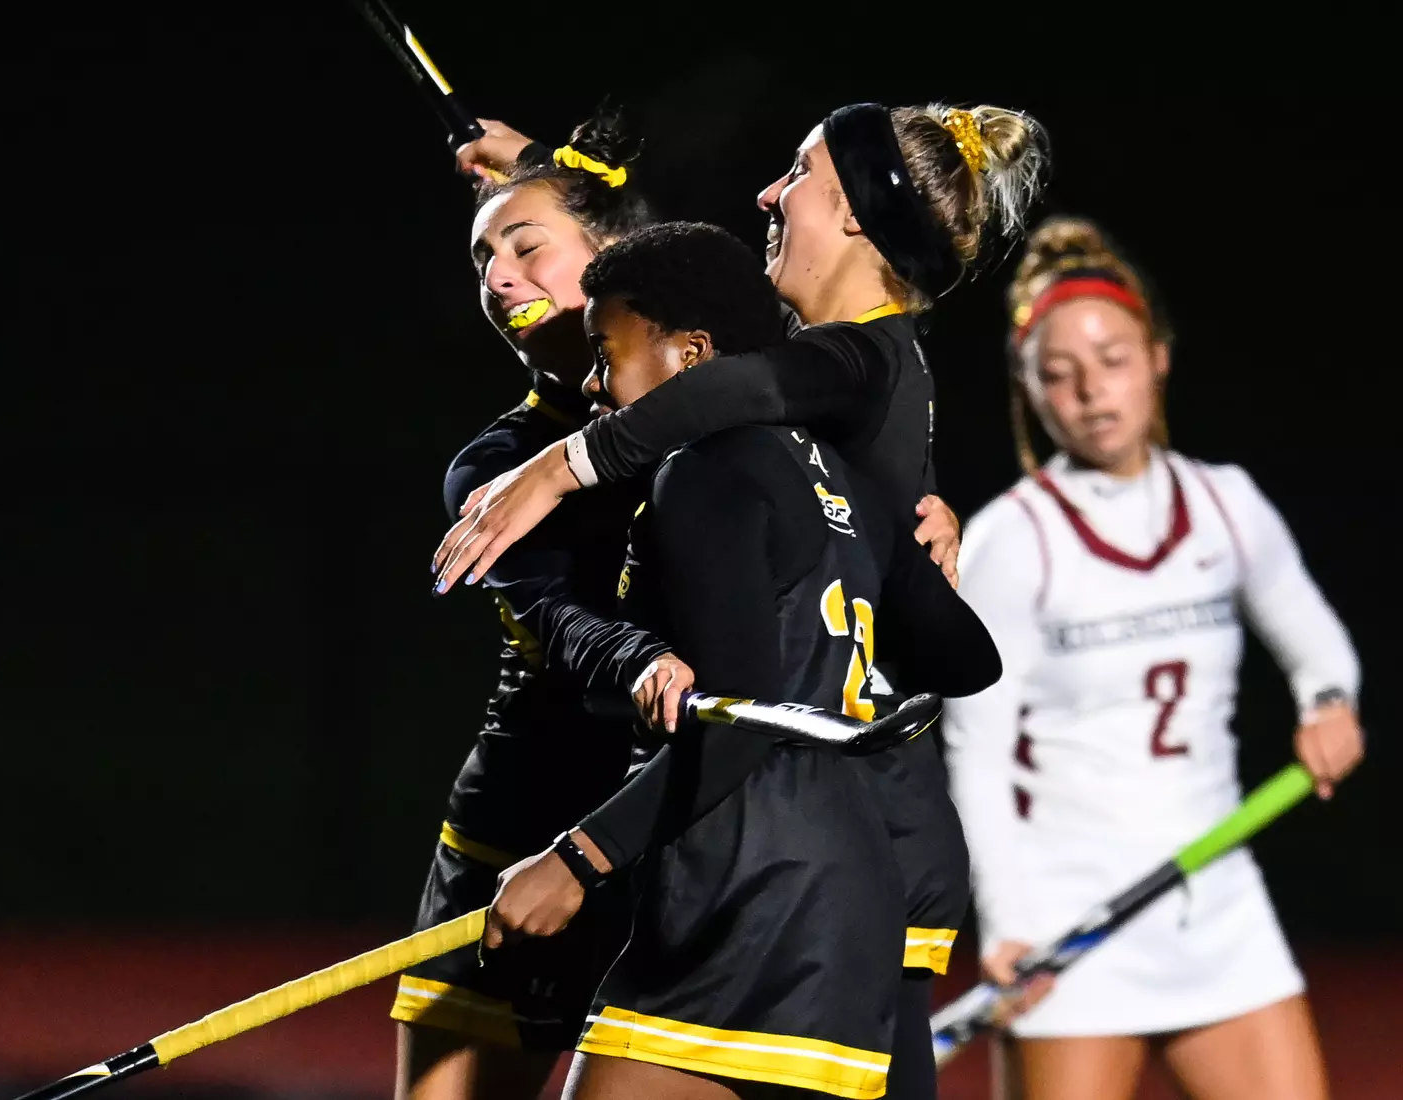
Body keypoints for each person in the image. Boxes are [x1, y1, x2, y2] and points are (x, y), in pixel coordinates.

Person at [435, 102, 1047, 1098]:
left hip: (788, 827)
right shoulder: (836, 396)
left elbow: (712, 373)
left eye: (796, 174)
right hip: (856, 831)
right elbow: (699, 310)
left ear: (853, 214)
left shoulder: (828, 378)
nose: (766, 190)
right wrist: (553, 176)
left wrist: (563, 465)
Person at [942, 217, 1365, 1100]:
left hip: (1217, 900)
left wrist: (1327, 703)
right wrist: (1011, 920)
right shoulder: (1011, 540)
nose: (1091, 391)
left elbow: (1314, 641)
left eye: (1113, 359)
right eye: (1057, 374)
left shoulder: (1226, 505)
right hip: (1070, 920)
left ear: (1158, 357)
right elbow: (973, 749)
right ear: (1029, 390)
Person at [391, 112, 685, 1100]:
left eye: (526, 246)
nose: (500, 275)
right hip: (516, 834)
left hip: (677, 842)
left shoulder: (733, 405)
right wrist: (645, 664)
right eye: (484, 258)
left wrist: (915, 498)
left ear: (615, 258)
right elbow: (565, 628)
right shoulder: (487, 466)